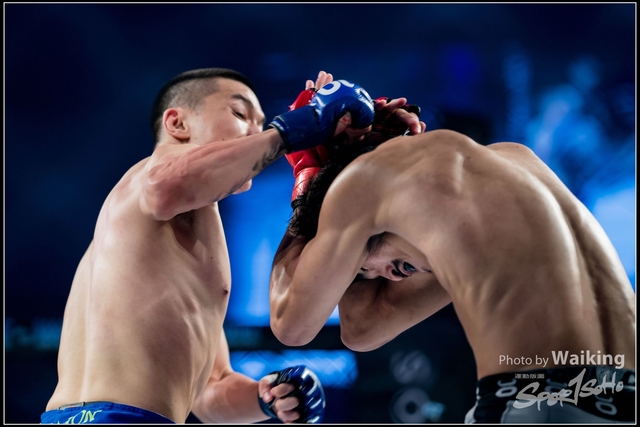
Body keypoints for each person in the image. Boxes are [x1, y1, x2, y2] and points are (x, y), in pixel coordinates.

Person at [40, 68, 377, 424]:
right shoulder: (152, 175)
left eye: (261, 124)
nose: (256, 132)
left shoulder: (164, 246)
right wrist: (297, 129)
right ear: (177, 124)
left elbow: (209, 392)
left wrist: (268, 398)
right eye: (240, 114)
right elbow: (165, 188)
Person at [269, 100, 636, 423]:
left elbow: (291, 327)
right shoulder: (518, 163)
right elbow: (361, 331)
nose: (383, 278)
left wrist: (309, 180)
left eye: (361, 268)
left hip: (537, 398)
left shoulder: (364, 181)